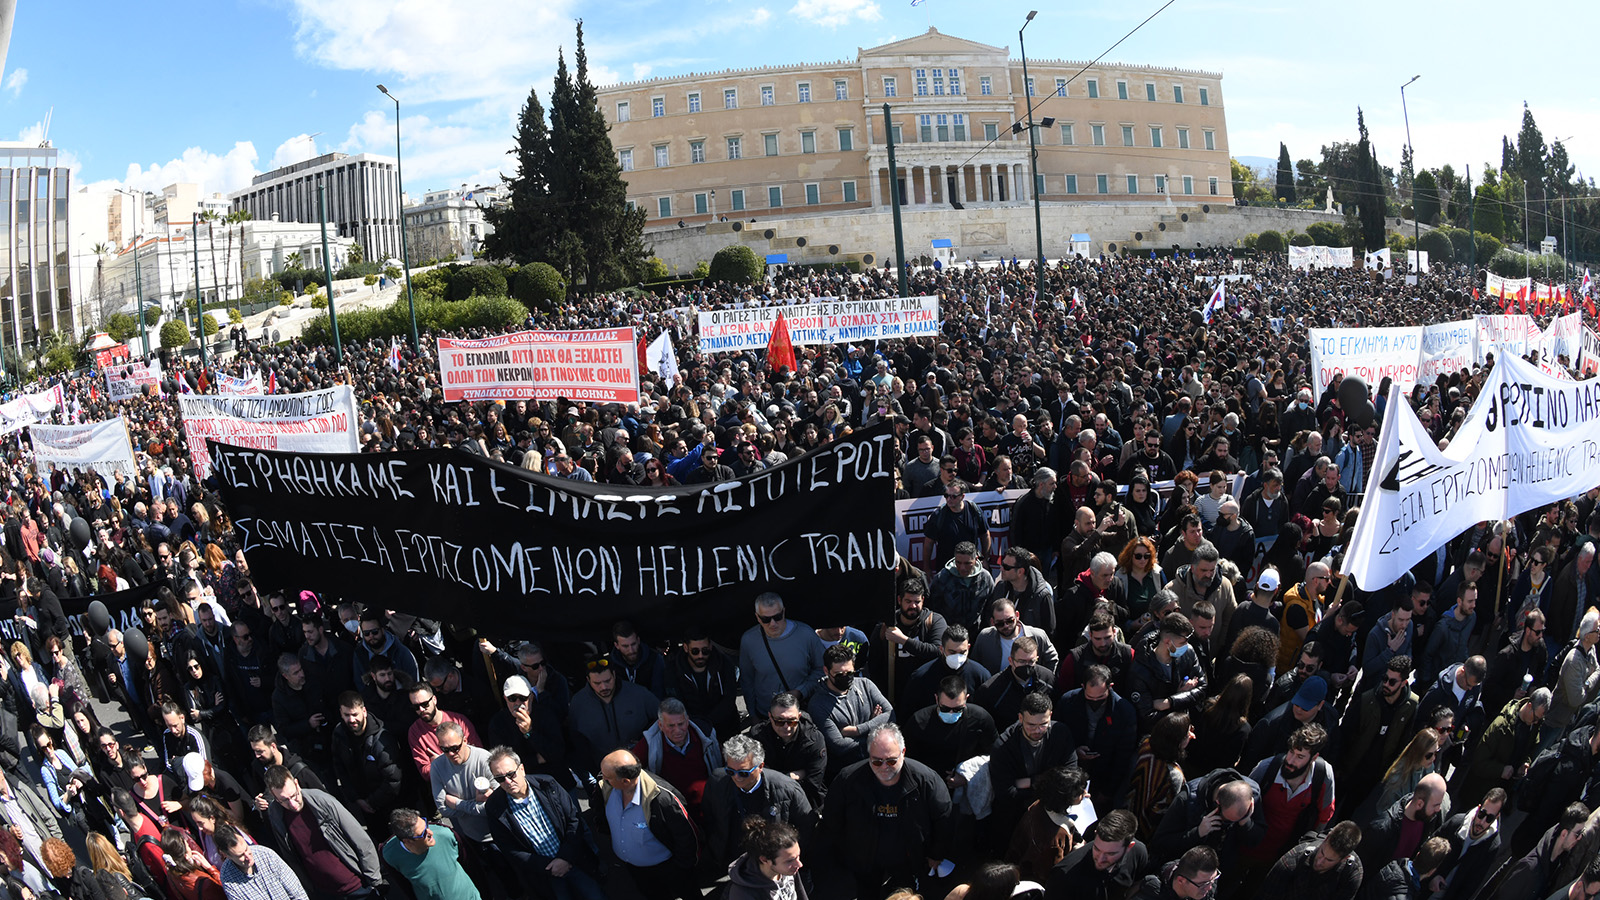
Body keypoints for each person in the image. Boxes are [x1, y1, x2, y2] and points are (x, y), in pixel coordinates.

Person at [822, 724, 952, 897]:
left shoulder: (926, 781)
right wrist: (844, 855)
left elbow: (943, 819)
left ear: (903, 752)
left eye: (891, 761)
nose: (884, 767)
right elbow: (833, 820)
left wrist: (936, 854)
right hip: (865, 860)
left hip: (909, 860)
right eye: (877, 761)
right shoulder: (848, 780)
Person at [483, 746, 606, 900]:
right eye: (500, 778)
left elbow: (573, 820)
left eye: (510, 774)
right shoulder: (495, 806)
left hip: (575, 862)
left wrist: (565, 858)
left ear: (522, 769)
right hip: (545, 876)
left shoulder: (547, 784)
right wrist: (548, 867)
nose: (507, 781)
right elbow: (509, 848)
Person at [261, 766, 383, 900]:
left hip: (357, 887)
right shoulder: (276, 814)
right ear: (274, 797)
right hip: (323, 893)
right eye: (284, 800)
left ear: (296, 783)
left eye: (294, 795)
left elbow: (362, 841)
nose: (293, 804)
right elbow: (290, 856)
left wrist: (374, 881)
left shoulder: (322, 801)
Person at [593, 748, 699, 900]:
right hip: (636, 870)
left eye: (607, 776)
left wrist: (682, 867)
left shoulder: (663, 799)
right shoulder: (605, 787)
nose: (602, 778)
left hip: (669, 868)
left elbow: (686, 836)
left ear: (625, 781)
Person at [702, 734, 813, 867]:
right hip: (731, 860)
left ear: (760, 767)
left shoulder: (787, 789)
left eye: (744, 773)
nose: (737, 777)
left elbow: (806, 828)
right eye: (730, 771)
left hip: (773, 862)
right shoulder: (717, 782)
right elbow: (709, 818)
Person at [1242, 723, 1336, 876]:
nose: (1291, 761)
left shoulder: (1323, 775)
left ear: (1314, 758)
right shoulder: (1267, 767)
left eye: (1300, 757)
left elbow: (1325, 816)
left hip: (1283, 856)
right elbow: (1241, 800)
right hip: (1247, 846)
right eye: (1291, 752)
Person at [990, 691, 1079, 840]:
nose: (1038, 730)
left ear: (1050, 716)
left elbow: (1071, 775)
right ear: (1020, 718)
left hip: (1057, 811)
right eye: (1031, 725)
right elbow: (1006, 793)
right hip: (1016, 817)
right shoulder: (1003, 747)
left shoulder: (1061, 734)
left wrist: (1028, 782)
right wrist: (1051, 784)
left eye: (1043, 724)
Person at [1053, 664, 1138, 813]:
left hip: (1105, 774)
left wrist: (1108, 791)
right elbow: (1057, 738)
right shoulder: (1068, 702)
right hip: (1072, 771)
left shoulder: (1124, 711)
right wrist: (1074, 751)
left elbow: (1123, 755)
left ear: (1110, 687)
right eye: (1090, 697)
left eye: (1100, 697)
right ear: (1082, 687)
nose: (1095, 701)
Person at [901, 675, 999, 796]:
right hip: (927, 787)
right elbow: (907, 761)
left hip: (966, 790)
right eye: (945, 709)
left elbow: (995, 755)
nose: (951, 713)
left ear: (966, 699)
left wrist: (967, 775)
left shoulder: (980, 719)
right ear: (936, 699)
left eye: (958, 709)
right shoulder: (918, 722)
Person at [631, 697, 722, 822]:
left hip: (709, 808)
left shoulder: (706, 736)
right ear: (660, 725)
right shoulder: (649, 744)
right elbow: (630, 769)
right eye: (671, 726)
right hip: (673, 813)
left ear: (687, 721)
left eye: (681, 724)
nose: (677, 731)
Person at [809, 643, 893, 778]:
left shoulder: (865, 685)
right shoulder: (818, 704)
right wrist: (875, 728)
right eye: (839, 674)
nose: (845, 678)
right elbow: (839, 746)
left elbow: (890, 715)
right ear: (826, 671)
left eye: (850, 673)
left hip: (876, 764)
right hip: (845, 772)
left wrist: (856, 730)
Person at [739, 593, 826, 717]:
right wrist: (753, 715)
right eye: (766, 619)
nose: (773, 623)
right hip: (766, 714)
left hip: (801, 712)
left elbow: (822, 669)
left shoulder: (806, 634)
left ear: (784, 612)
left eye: (777, 617)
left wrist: (801, 691)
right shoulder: (749, 640)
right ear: (757, 617)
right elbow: (747, 681)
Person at [1457, 689, 1548, 808]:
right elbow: (1478, 762)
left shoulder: (1534, 726)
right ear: (1529, 706)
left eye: (1539, 720)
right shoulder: (1500, 725)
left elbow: (1530, 749)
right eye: (1535, 718)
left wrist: (1525, 763)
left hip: (1500, 794)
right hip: (1478, 793)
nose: (1536, 722)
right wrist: (1501, 770)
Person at [565, 659, 656, 777]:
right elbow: (576, 739)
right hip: (602, 772)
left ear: (614, 675)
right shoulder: (578, 703)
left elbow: (661, 720)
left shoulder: (638, 694)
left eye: (607, 681)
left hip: (641, 768)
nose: (603, 687)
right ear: (588, 680)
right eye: (597, 683)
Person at [329, 692, 404, 833]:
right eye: (346, 715)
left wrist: (371, 802)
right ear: (340, 713)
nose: (351, 720)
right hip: (363, 803)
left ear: (364, 711)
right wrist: (356, 799)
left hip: (388, 804)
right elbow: (339, 768)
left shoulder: (382, 739)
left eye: (355, 714)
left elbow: (393, 780)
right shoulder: (339, 734)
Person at [1044, 808, 1148, 900]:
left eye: (1110, 854)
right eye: (1097, 849)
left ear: (1129, 847)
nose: (1100, 859)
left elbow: (1137, 885)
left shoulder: (1138, 853)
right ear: (1095, 834)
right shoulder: (1063, 875)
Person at [381, 807, 480, 900]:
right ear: (408, 841)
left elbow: (470, 863)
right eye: (423, 833)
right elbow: (404, 885)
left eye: (426, 825)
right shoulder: (390, 854)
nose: (431, 832)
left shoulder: (446, 834)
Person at [1126, 613, 1206, 727]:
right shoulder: (1140, 670)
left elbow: (1203, 687)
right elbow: (1147, 717)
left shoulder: (1188, 653)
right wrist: (1181, 700)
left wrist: (1170, 702)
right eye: (1182, 643)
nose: (1186, 645)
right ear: (1168, 642)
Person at [1358, 774, 1448, 875]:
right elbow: (1360, 868)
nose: (1439, 809)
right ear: (1419, 804)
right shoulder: (1381, 829)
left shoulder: (1428, 818)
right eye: (1436, 805)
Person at [1428, 789, 1505, 900]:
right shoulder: (1456, 823)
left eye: (1489, 818)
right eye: (1482, 814)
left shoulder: (1492, 846)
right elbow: (1428, 848)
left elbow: (1472, 884)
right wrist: (1433, 876)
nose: (1482, 822)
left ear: (1496, 817)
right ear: (1478, 808)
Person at [1257, 821, 1364, 900]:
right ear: (1326, 838)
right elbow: (1266, 895)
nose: (1319, 862)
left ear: (1344, 859)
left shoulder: (1351, 873)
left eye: (1329, 860)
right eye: (1322, 852)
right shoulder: (1293, 860)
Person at [216, 823, 309, 900]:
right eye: (240, 855)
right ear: (226, 855)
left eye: (246, 849)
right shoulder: (228, 879)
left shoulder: (266, 855)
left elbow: (297, 893)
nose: (247, 856)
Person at [728, 818, 808, 900]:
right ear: (764, 860)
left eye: (798, 856)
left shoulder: (789, 868)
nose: (799, 864)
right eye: (790, 861)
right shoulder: (742, 894)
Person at [922, 479, 991, 569]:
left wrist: (985, 559)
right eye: (946, 496)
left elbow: (985, 535)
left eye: (953, 496)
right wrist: (927, 569)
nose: (949, 499)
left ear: (962, 496)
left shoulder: (973, 510)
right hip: (947, 568)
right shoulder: (938, 515)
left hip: (971, 566)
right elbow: (928, 543)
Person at [932, 543, 998, 632]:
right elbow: (933, 608)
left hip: (976, 631)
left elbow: (990, 608)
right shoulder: (942, 578)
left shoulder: (985, 578)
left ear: (976, 559)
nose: (962, 568)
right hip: (949, 632)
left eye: (967, 563)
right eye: (958, 562)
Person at [1136, 845, 1220, 900]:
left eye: (1213, 879)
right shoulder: (1151, 893)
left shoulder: (1204, 884)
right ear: (1181, 880)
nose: (1209, 888)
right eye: (1203, 884)